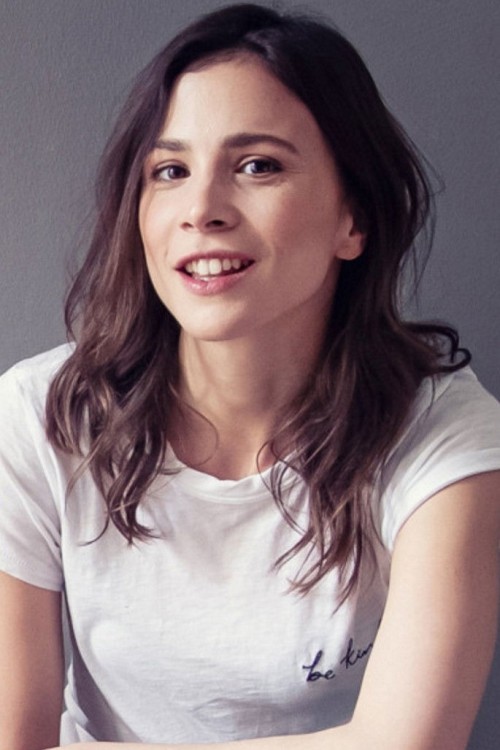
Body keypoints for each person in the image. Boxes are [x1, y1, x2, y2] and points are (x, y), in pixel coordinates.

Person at [0, 4, 499, 749]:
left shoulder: (444, 436)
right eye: (170, 171)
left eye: (258, 165)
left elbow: (408, 743)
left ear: (353, 218)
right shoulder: (41, 413)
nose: (201, 209)